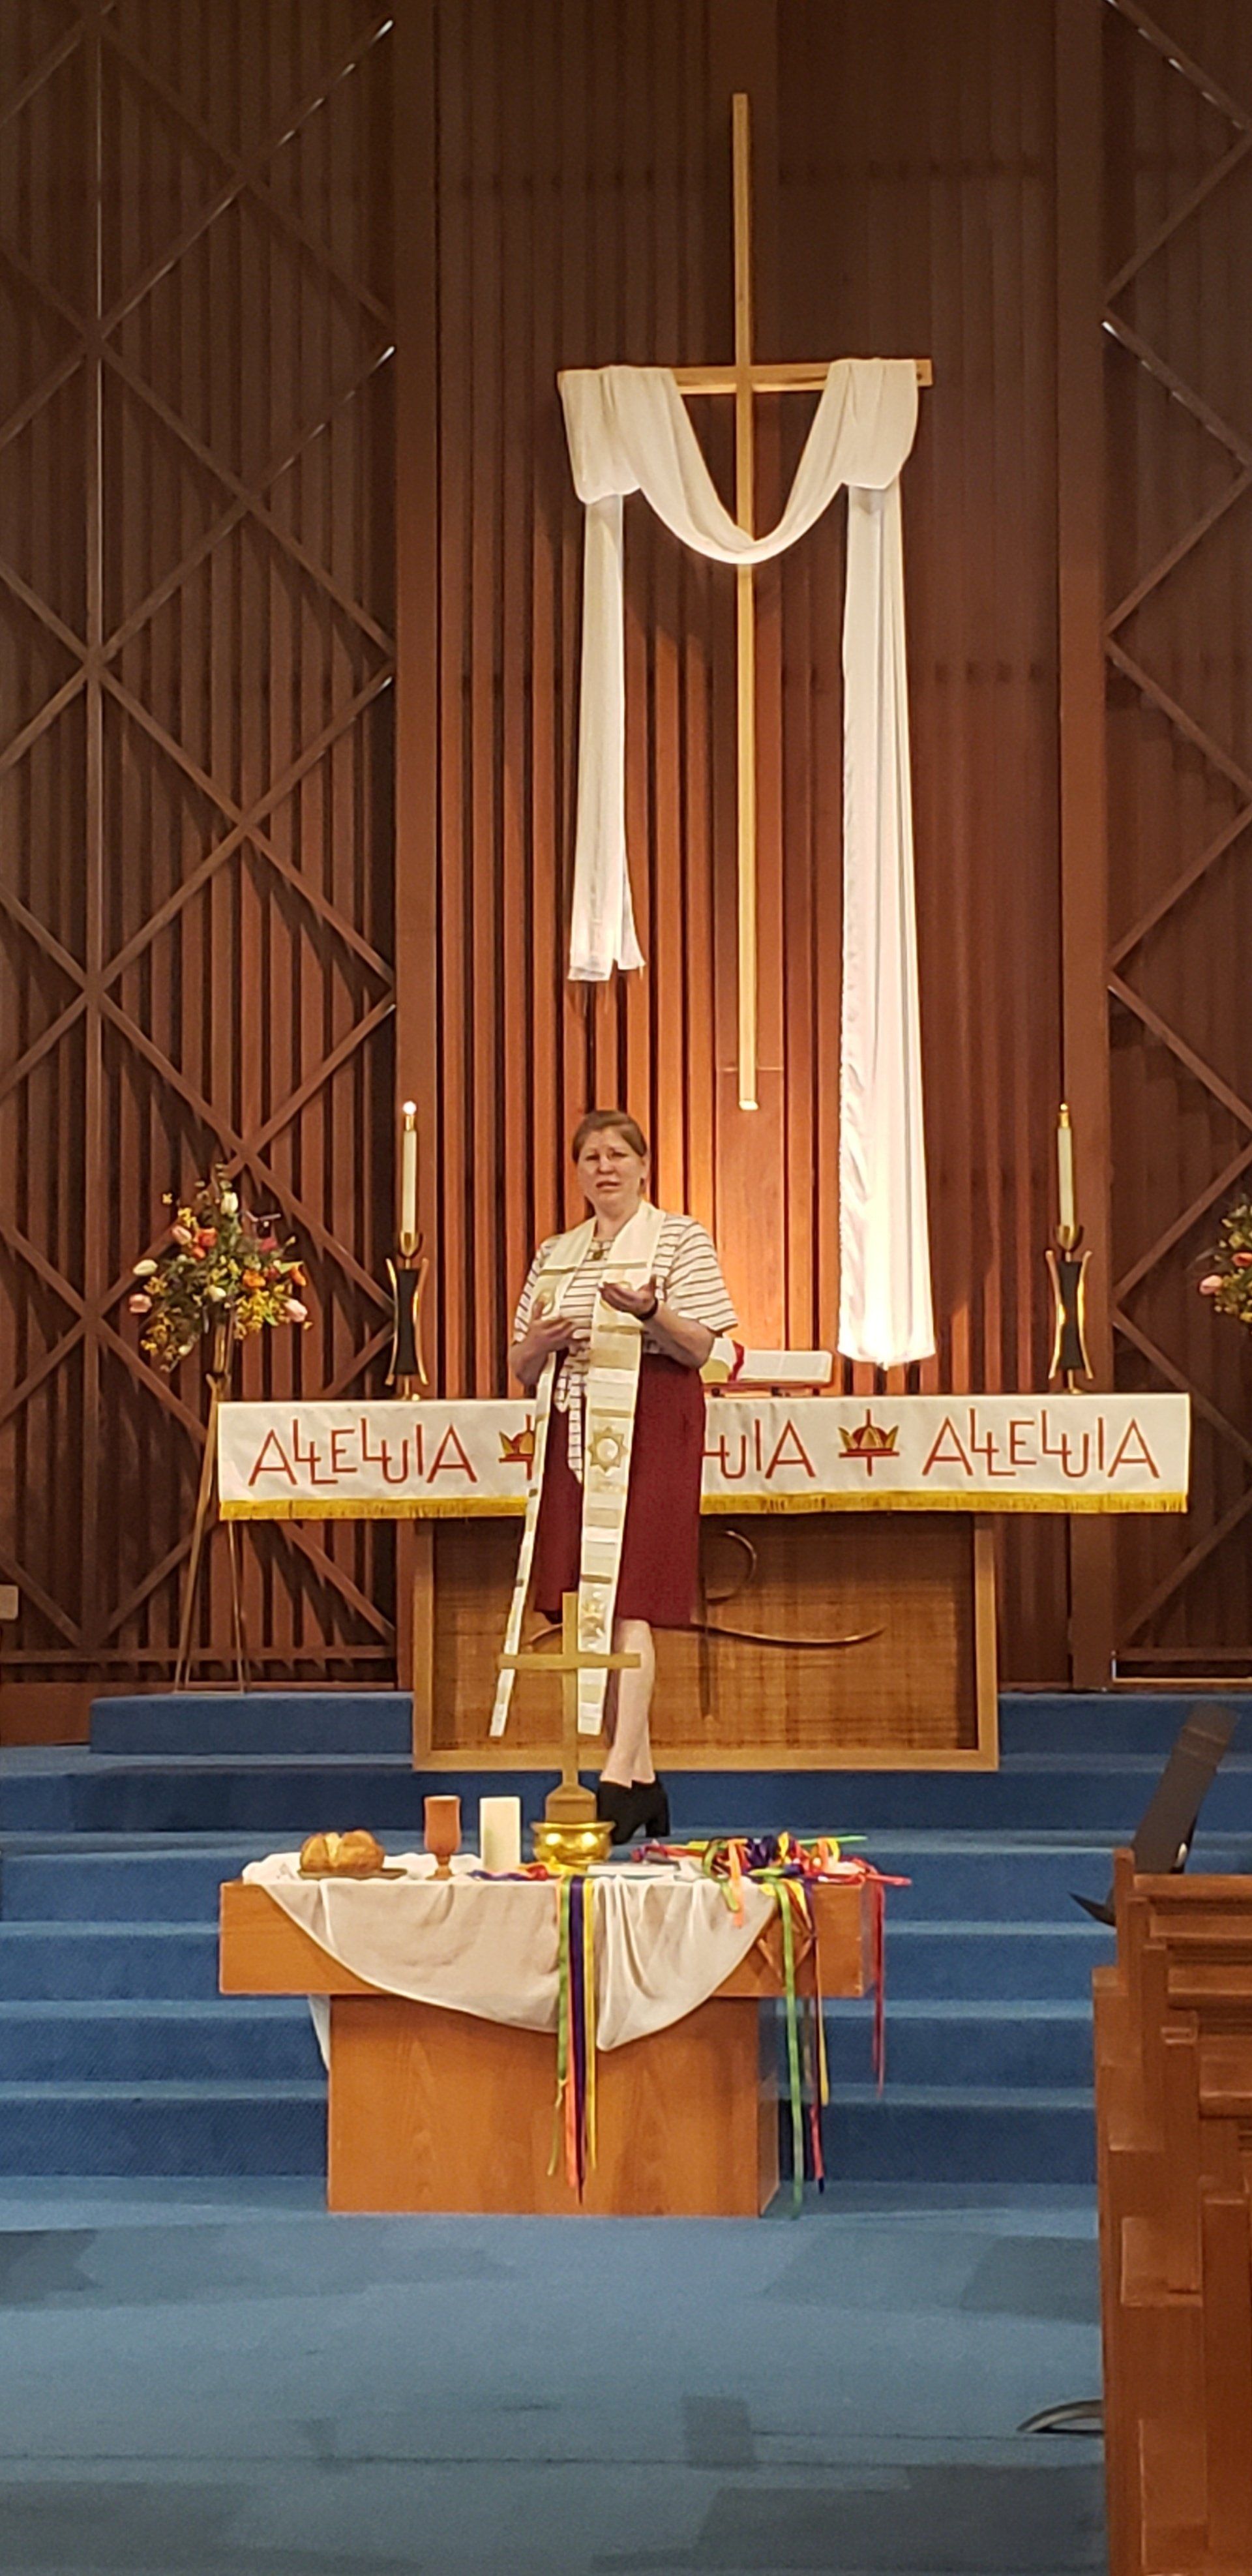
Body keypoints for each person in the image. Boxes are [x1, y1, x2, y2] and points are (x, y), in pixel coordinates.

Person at [508, 1110, 737, 1841]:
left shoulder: (678, 1237)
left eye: (617, 1154)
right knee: (592, 1596)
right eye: (590, 1157)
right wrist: (538, 1342)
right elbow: (519, 1366)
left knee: (634, 1587)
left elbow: (708, 1347)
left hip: (653, 1417)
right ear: (576, 1172)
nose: (604, 1167)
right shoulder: (558, 1252)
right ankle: (640, 1779)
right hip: (577, 1425)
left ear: (644, 1165)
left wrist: (651, 1311)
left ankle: (614, 1770)